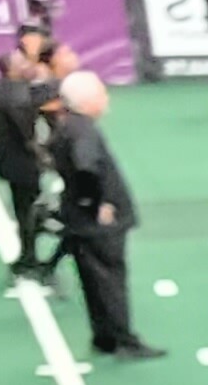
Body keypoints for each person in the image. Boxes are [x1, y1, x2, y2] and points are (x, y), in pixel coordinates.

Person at [52, 72, 162, 360]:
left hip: (79, 218)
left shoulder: (69, 126)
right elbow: (85, 167)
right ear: (87, 100)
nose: (106, 98)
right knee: (110, 280)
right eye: (101, 93)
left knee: (93, 280)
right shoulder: (84, 131)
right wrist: (95, 202)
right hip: (96, 223)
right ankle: (123, 339)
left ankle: (104, 336)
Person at [0, 37, 55, 272]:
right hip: (25, 163)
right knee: (29, 210)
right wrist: (42, 154)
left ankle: (27, 252)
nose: (27, 66)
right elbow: (27, 136)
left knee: (22, 208)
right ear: (12, 69)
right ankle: (29, 256)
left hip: (6, 157)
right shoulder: (20, 97)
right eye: (22, 63)